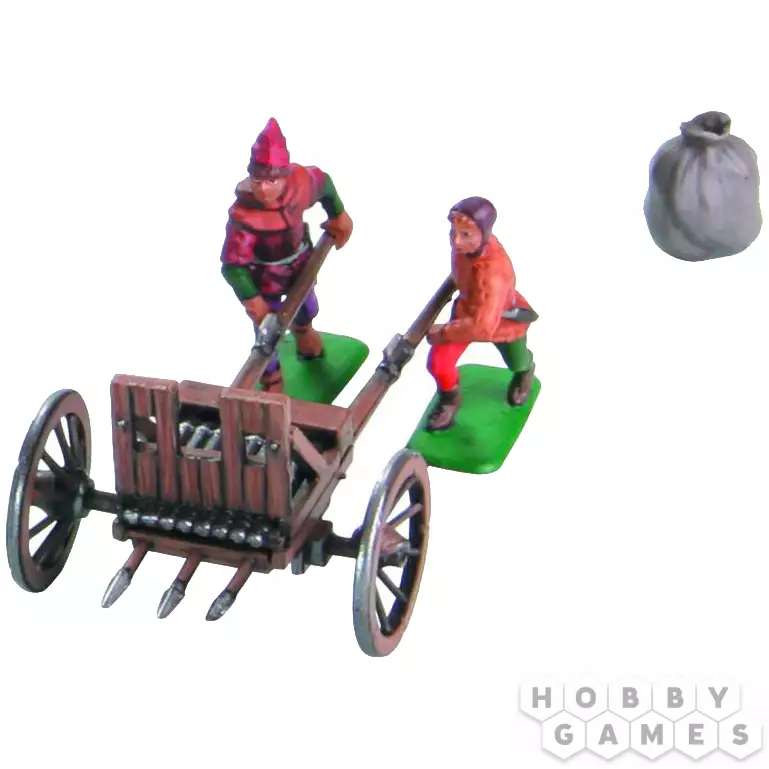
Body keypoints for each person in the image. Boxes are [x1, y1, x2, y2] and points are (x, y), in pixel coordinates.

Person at [220, 118, 353, 392]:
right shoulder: (243, 217)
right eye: (258, 180)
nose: (264, 188)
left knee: (308, 307)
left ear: (283, 177)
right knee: (267, 333)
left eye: (272, 180)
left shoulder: (301, 183)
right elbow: (233, 266)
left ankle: (304, 336)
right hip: (264, 277)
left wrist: (338, 214)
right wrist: (252, 299)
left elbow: (325, 184)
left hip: (301, 267)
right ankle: (271, 378)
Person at [425, 196, 536, 431]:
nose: (456, 241)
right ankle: (450, 399)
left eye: (465, 234)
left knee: (517, 361)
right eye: (453, 232)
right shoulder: (464, 248)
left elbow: (483, 327)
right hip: (467, 312)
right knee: (439, 363)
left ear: (483, 234)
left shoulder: (493, 274)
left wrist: (443, 332)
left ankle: (526, 371)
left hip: (503, 320)